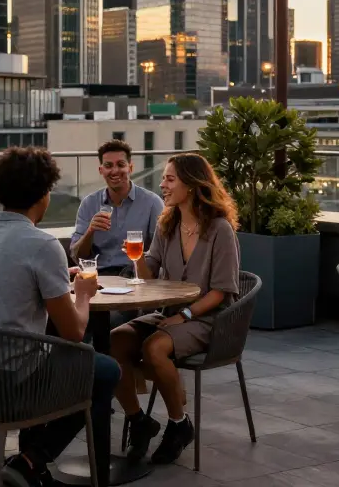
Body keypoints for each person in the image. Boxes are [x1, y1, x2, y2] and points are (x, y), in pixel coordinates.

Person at [0, 147, 121, 487]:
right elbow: (73, 332)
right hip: (10, 385)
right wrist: (83, 295)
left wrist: (55, 279)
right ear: (43, 194)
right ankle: (31, 460)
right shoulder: (41, 245)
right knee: (104, 370)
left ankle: (34, 470)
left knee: (49, 358)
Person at [111, 153, 241, 465]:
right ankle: (139, 421)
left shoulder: (219, 230)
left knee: (155, 348)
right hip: (168, 313)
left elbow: (222, 292)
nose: (163, 184)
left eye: (170, 179)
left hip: (208, 318)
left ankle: (179, 424)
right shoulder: (167, 225)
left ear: (193, 185)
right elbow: (149, 279)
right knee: (115, 340)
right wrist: (138, 256)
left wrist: (184, 316)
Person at [68, 139, 164, 352]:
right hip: (98, 280)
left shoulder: (151, 203)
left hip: (133, 279)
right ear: (101, 170)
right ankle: (87, 374)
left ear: (130, 167)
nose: (115, 171)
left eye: (120, 164)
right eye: (109, 166)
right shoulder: (90, 204)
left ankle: (106, 373)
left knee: (108, 322)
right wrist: (91, 231)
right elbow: (76, 254)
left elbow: (162, 251)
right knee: (72, 322)